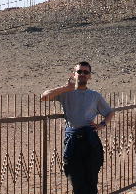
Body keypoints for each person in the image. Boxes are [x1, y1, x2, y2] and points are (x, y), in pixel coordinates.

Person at [41, 62, 114, 194]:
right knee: (76, 179)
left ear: (90, 76)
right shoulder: (66, 93)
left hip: (90, 139)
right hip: (72, 139)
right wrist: (66, 87)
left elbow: (110, 112)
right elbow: (44, 97)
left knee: (91, 180)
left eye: (86, 72)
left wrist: (102, 125)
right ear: (74, 74)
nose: (82, 74)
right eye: (79, 72)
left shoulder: (95, 95)